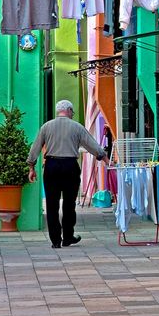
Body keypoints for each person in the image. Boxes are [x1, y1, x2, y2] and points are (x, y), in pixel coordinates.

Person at [27, 100, 110, 249]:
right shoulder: (76, 127)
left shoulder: (46, 126)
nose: (73, 114)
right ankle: (68, 237)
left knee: (52, 205)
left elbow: (36, 147)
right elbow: (91, 144)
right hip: (70, 166)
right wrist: (104, 158)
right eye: (73, 112)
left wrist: (31, 167)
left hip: (51, 166)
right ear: (70, 110)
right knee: (69, 204)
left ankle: (55, 240)